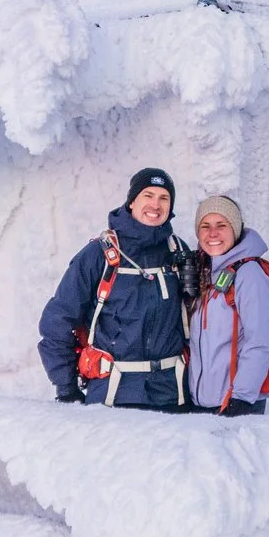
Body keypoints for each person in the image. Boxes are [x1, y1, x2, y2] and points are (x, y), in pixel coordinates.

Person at [38, 167, 191, 409]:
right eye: (148, 196)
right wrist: (66, 387)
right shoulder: (99, 255)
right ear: (132, 202)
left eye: (164, 198)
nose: (155, 205)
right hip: (112, 398)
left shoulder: (178, 252)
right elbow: (57, 321)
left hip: (172, 395)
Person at [186, 195, 269, 416]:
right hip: (202, 404)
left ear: (235, 230)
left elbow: (259, 341)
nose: (213, 233)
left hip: (236, 404)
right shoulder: (204, 273)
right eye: (205, 226)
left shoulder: (249, 275)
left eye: (222, 225)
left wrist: (241, 399)